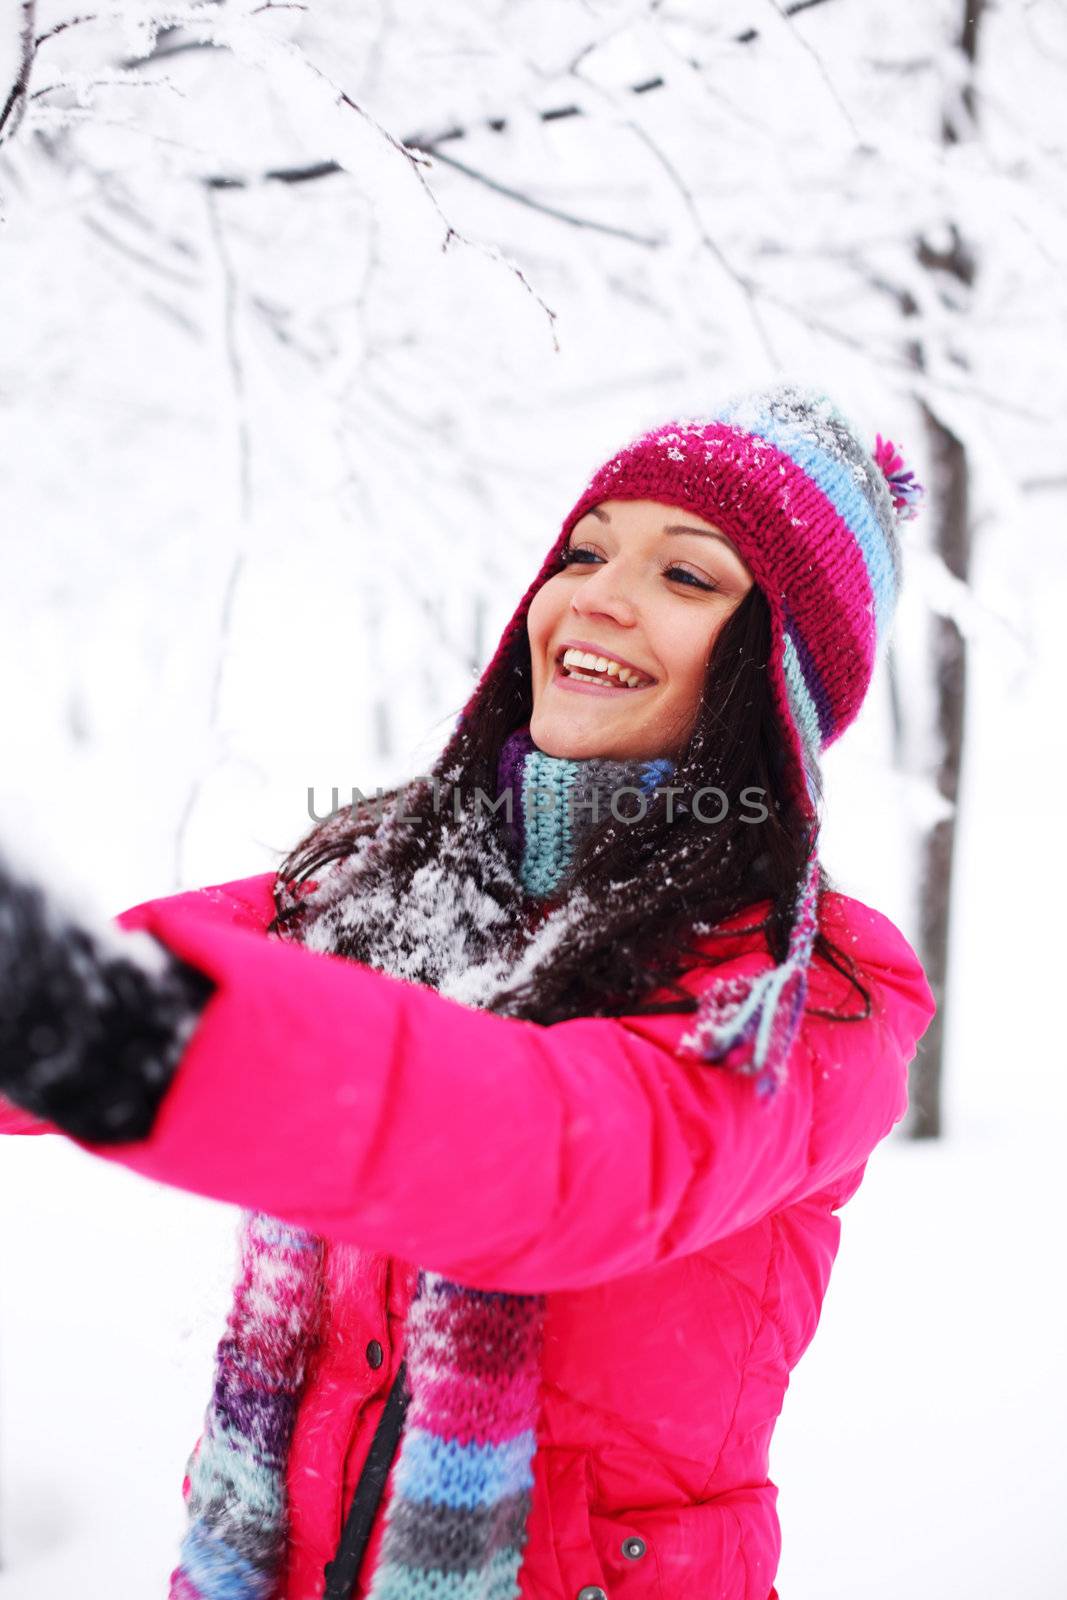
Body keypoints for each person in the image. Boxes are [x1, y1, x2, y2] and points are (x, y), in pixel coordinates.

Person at [0, 383, 935, 1600]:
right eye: (586, 549)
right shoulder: (381, 881)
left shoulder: (809, 990)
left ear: (781, 677)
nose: (592, 592)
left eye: (686, 575)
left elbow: (554, 1156)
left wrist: (128, 1035)